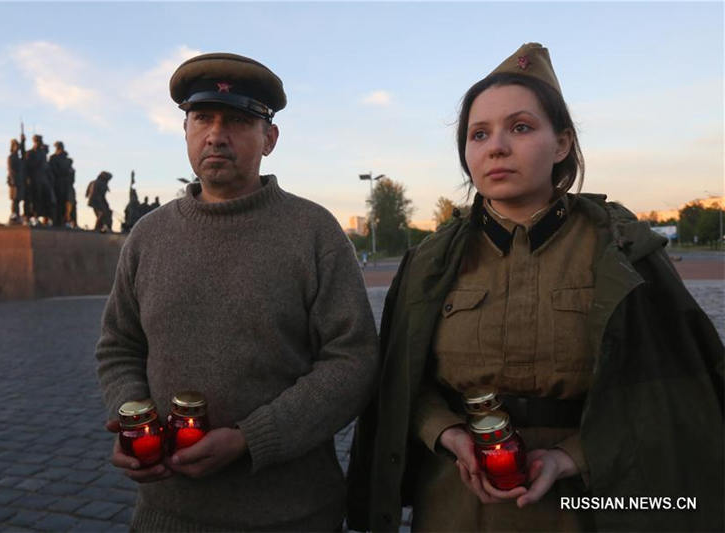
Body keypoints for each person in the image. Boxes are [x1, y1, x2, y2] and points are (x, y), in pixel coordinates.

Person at [347, 43, 724, 532]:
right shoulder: (429, 262)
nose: (496, 146)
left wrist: (571, 457)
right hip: (454, 504)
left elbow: (668, 391)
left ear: (563, 143)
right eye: (478, 134)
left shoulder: (621, 253)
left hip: (590, 500)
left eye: (520, 127)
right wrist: (446, 433)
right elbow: (401, 382)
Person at [95, 52, 379, 531]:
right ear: (185, 130)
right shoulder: (147, 236)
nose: (216, 134)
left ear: (269, 138)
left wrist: (252, 439)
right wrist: (132, 417)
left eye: (239, 120)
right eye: (202, 117)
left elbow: (353, 362)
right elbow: (118, 347)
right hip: (167, 515)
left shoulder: (314, 232)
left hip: (294, 515)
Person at [48, 141, 75, 226]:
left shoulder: (68, 160)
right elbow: (53, 170)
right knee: (58, 202)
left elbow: (71, 171)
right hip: (57, 183)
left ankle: (65, 220)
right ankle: (57, 221)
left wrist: (69, 174)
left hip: (66, 184)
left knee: (67, 203)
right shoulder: (53, 158)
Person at [7, 138, 25, 224]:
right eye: (16, 146)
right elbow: (11, 170)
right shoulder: (11, 157)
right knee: (15, 200)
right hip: (14, 182)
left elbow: (23, 153)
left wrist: (23, 142)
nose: (18, 148)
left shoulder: (19, 158)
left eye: (18, 146)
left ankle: (17, 215)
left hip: (20, 181)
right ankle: (14, 215)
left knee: (18, 200)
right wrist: (14, 181)